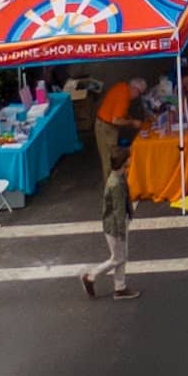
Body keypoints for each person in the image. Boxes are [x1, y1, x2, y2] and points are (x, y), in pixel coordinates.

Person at [79, 148, 138, 301]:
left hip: (113, 224)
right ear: (123, 163)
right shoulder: (117, 184)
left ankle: (120, 287)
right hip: (115, 226)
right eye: (128, 159)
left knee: (121, 256)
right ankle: (91, 276)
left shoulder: (116, 177)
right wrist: (121, 231)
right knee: (117, 258)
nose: (130, 161)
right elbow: (118, 211)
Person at [94, 75, 148, 180]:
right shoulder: (124, 95)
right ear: (133, 88)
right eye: (139, 93)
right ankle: (112, 189)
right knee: (109, 159)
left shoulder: (122, 87)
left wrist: (130, 118)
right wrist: (132, 122)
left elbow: (119, 110)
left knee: (113, 155)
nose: (138, 96)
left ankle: (116, 184)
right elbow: (116, 120)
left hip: (105, 125)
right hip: (105, 127)